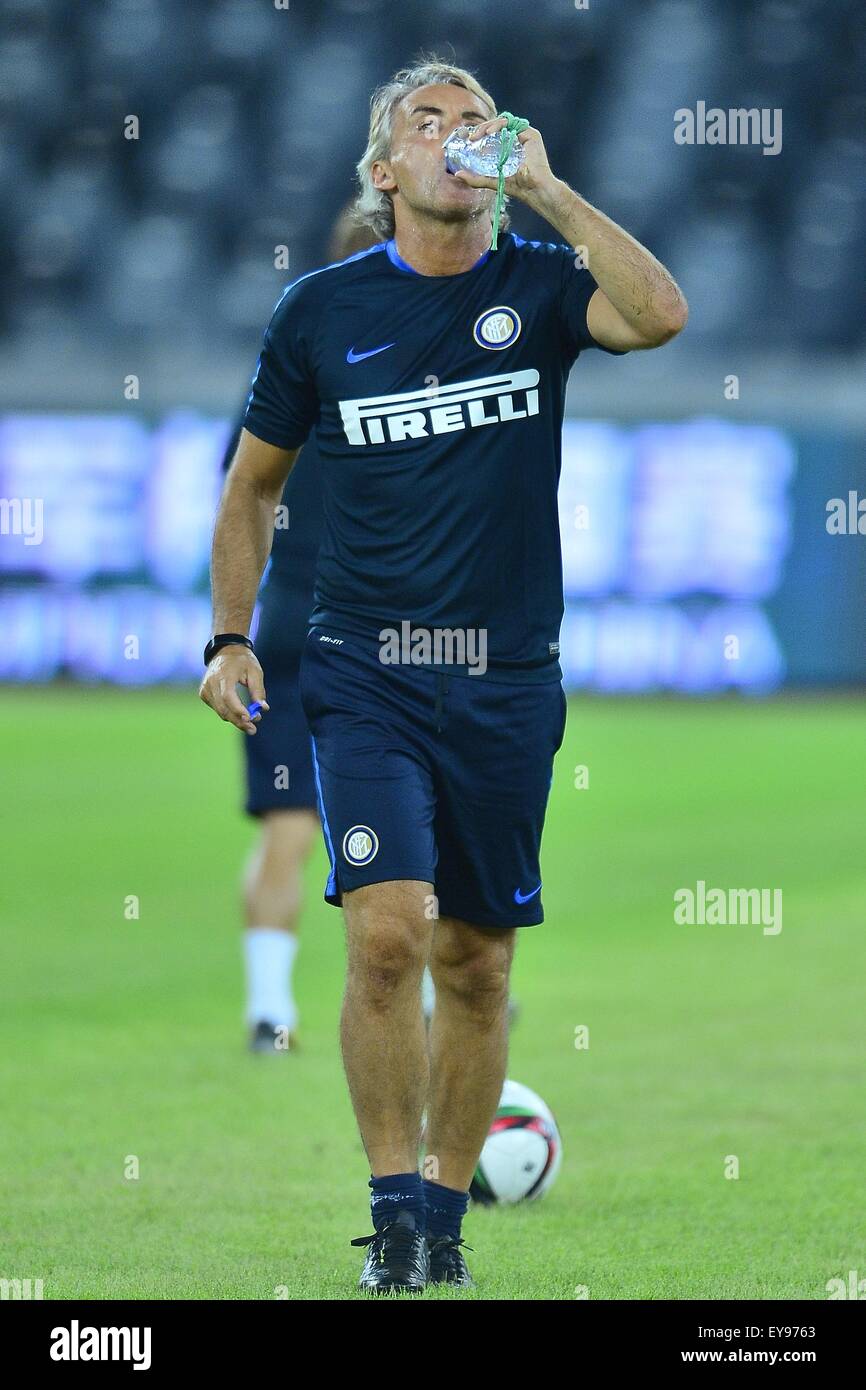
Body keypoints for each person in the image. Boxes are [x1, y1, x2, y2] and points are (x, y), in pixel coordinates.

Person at [200, 58, 686, 1293]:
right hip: (364, 671)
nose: (459, 137)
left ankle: (446, 1219)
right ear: (383, 170)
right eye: (430, 123)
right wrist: (230, 634)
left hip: (507, 678)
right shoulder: (318, 311)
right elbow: (251, 486)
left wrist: (555, 192)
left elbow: (661, 315)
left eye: (478, 121)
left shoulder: (536, 286)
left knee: (477, 960)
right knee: (386, 937)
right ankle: (395, 1218)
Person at [223, 208, 379, 1054]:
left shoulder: (287, 359)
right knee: (413, 827)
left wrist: (229, 632)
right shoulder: (425, 366)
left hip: (286, 630)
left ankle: (269, 1014)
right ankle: (436, 1002)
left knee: (289, 824)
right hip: (386, 634)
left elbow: (239, 494)